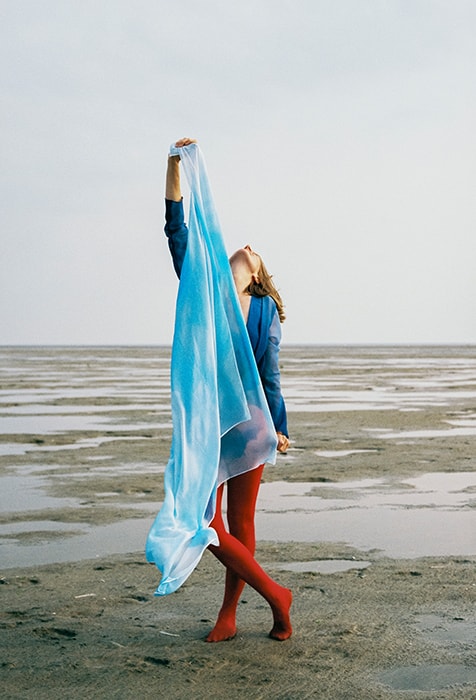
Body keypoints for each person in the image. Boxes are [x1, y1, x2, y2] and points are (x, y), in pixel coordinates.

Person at [163, 138, 292, 642]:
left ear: (258, 274)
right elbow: (176, 227)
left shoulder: (262, 314)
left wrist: (281, 428)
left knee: (238, 522)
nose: (248, 245)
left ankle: (230, 614)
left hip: (252, 424)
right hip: (211, 422)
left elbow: (271, 375)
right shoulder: (205, 289)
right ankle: (276, 596)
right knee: (206, 520)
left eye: (257, 252)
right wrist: (174, 165)